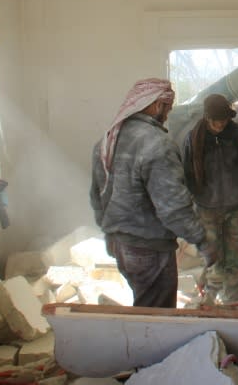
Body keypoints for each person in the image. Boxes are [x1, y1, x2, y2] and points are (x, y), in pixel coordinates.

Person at [90, 78, 217, 308]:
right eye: (167, 108)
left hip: (120, 246)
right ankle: (144, 346)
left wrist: (110, 232)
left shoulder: (107, 140)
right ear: (157, 105)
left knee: (145, 305)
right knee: (156, 318)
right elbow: (173, 208)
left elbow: (98, 196)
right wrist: (203, 241)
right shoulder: (157, 143)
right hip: (149, 249)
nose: (167, 114)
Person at [183, 94, 238, 306]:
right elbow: (187, 175)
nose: (220, 126)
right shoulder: (194, 138)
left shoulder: (237, 135)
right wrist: (190, 200)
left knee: (236, 255)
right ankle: (210, 296)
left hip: (235, 206)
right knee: (212, 255)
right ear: (206, 118)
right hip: (206, 208)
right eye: (215, 122)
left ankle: (232, 299)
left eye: (224, 121)